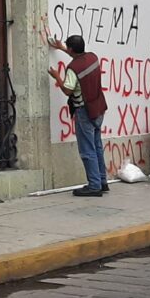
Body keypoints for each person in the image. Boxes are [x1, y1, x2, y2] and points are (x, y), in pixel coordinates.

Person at [48, 35, 109, 197]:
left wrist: (57, 77)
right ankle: (102, 181)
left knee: (87, 149)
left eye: (67, 47)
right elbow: (80, 61)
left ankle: (94, 185)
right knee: (97, 146)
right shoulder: (92, 57)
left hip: (84, 111)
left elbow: (68, 90)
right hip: (98, 107)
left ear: (71, 50)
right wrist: (62, 48)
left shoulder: (72, 69)